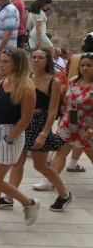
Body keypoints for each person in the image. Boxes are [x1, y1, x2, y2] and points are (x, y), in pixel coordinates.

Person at [5, 48, 72, 210]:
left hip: (41, 122)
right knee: (17, 162)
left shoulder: (53, 82)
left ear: (47, 61)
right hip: (24, 121)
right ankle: (8, 198)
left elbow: (53, 110)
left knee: (40, 165)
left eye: (40, 58)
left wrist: (44, 133)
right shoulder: (27, 78)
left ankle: (65, 195)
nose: (36, 60)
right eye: (34, 57)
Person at [0, 48, 40, 222]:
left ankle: (29, 202)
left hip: (11, 134)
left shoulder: (27, 88)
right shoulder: (4, 81)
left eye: (6, 61)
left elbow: (26, 118)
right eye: (1, 61)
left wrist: (10, 138)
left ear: (17, 64)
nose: (1, 65)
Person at [51, 53, 93, 194]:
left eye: (89, 65)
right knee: (60, 151)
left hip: (88, 125)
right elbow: (67, 100)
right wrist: (62, 116)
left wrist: (91, 130)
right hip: (69, 122)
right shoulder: (74, 80)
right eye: (82, 65)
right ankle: (51, 180)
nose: (85, 68)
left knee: (90, 153)